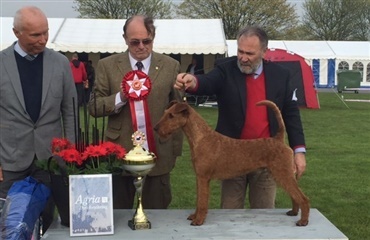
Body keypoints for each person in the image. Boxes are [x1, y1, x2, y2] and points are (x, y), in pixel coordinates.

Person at [175, 26, 306, 210]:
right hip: (231, 156)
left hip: (265, 153)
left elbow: (291, 114)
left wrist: (298, 151)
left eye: (250, 53)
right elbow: (207, 82)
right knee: (229, 213)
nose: (243, 58)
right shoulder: (225, 69)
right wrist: (192, 81)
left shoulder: (281, 75)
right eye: (240, 51)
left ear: (264, 52)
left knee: (263, 213)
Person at [88, 15, 183, 209]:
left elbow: (178, 111)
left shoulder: (171, 66)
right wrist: (121, 97)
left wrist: (175, 151)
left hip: (158, 152)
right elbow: (94, 107)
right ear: (124, 39)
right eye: (134, 42)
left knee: (156, 214)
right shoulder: (107, 65)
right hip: (119, 152)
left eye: (146, 41)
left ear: (153, 37)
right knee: (117, 216)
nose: (141, 46)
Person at [0, 6, 77, 232]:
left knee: (48, 223)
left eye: (46, 32)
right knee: (10, 224)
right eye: (35, 35)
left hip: (50, 159)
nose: (43, 40)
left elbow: (71, 111)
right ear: (16, 33)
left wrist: (70, 154)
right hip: (10, 160)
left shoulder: (61, 63)